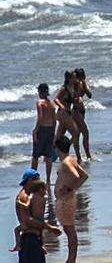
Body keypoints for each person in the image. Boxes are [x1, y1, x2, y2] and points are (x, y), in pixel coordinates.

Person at [54, 135, 88, 263]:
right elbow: (84, 175)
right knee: (69, 229)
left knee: (69, 230)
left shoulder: (66, 162)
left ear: (58, 148)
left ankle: (71, 259)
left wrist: (69, 188)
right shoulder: (70, 159)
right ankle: (71, 258)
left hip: (65, 201)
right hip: (67, 199)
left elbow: (77, 175)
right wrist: (73, 188)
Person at [16, 170, 60, 263]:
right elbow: (27, 220)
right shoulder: (24, 197)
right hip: (29, 239)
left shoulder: (31, 195)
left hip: (35, 237)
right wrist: (49, 227)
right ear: (30, 180)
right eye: (37, 181)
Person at [30, 84, 55, 180]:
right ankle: (48, 178)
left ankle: (33, 177)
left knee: (35, 155)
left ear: (40, 92)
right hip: (50, 129)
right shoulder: (51, 104)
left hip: (42, 129)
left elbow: (40, 117)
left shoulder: (40, 102)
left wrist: (36, 130)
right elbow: (54, 119)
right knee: (48, 155)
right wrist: (53, 132)